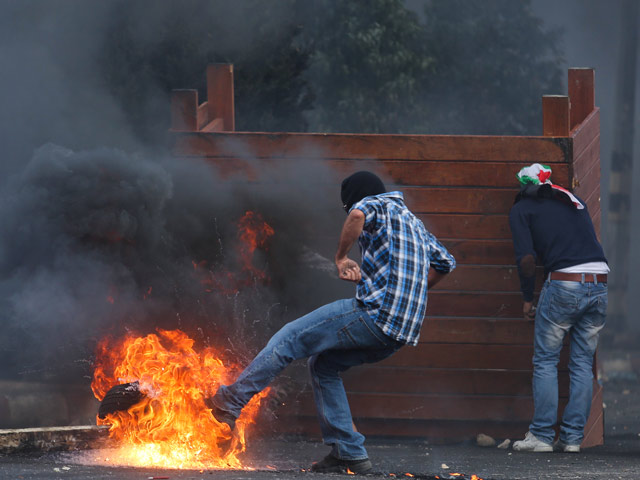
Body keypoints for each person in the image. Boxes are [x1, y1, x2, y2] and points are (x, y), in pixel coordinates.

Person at [205, 171, 456, 473]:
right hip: (401, 332)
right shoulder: (414, 223)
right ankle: (348, 452)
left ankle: (229, 403)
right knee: (323, 366)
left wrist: (340, 258)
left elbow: (358, 215)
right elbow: (445, 262)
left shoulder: (376, 204)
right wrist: (410, 289)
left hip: (375, 315)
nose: (349, 212)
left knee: (290, 338)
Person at [509, 163, 608, 453]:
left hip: (565, 284)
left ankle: (540, 436)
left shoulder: (521, 209)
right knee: (581, 364)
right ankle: (573, 439)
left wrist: (528, 298)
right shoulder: (572, 201)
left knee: (546, 361)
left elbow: (527, 260)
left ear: (523, 188)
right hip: (600, 282)